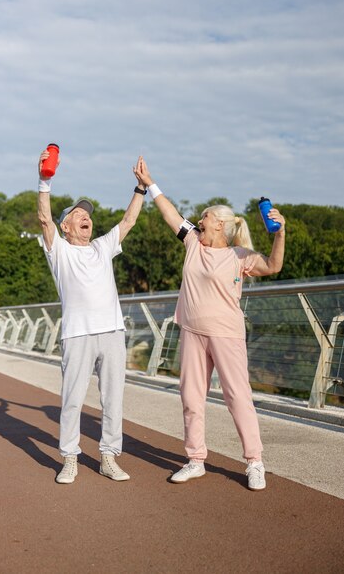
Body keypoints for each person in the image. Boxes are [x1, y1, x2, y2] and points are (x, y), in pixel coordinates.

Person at [135, 157, 286, 490]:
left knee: (238, 397)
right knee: (191, 398)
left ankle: (255, 462)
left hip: (226, 334)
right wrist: (150, 183)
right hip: (191, 331)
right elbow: (169, 212)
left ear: (219, 223)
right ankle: (195, 460)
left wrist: (280, 232)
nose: (198, 221)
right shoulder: (192, 242)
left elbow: (274, 265)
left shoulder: (240, 256)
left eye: (204, 216)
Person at [38, 149, 147, 484]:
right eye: (78, 214)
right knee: (72, 400)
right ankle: (70, 457)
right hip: (77, 334)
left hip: (112, 332)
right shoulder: (59, 251)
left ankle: (108, 456)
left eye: (89, 214)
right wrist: (45, 179)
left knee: (113, 399)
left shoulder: (103, 246)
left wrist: (140, 188)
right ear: (66, 225)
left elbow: (128, 221)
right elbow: (44, 218)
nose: (86, 216)